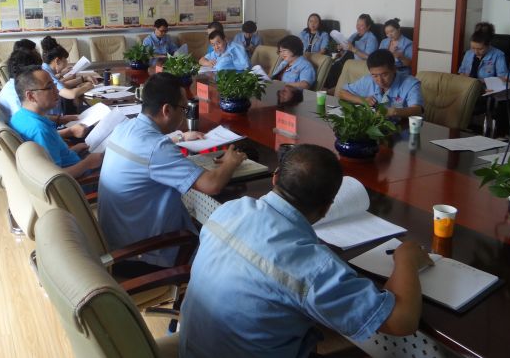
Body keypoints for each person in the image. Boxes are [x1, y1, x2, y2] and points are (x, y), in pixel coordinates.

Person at [179, 144, 431, 358]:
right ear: (327, 208)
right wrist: (406, 260)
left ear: (276, 178)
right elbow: (401, 321)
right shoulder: (313, 267)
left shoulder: (229, 210)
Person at [97, 73, 247, 272]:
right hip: (144, 255)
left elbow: (147, 150)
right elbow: (212, 185)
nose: (185, 114)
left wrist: (179, 137)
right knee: (232, 254)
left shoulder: (124, 127)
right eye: (184, 108)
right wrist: (230, 162)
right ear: (167, 110)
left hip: (117, 241)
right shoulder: (157, 149)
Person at [9, 66, 103, 178]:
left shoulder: (19, 116)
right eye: (49, 87)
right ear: (31, 96)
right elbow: (56, 177)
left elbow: (50, 154)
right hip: (83, 179)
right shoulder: (40, 130)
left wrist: (73, 150)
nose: (57, 90)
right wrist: (87, 163)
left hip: (74, 162)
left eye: (54, 85)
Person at [338, 49, 423, 118]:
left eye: (384, 75)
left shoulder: (411, 83)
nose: (380, 80)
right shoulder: (368, 80)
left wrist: (395, 112)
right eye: (375, 76)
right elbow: (342, 93)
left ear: (394, 69)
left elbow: (418, 110)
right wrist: (363, 100)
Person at [40, 36, 96, 105]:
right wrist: (87, 86)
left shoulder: (44, 68)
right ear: (57, 61)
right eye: (65, 60)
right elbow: (71, 94)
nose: (66, 63)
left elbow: (63, 85)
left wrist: (83, 78)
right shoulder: (47, 74)